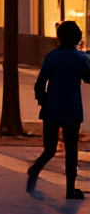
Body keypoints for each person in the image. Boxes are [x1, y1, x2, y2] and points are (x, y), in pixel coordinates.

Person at [27, 19, 90, 198]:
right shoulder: (79, 58)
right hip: (72, 110)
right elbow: (88, 77)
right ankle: (70, 188)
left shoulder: (51, 57)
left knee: (50, 148)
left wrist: (44, 102)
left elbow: (39, 85)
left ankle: (34, 170)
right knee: (71, 148)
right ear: (77, 38)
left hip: (51, 109)